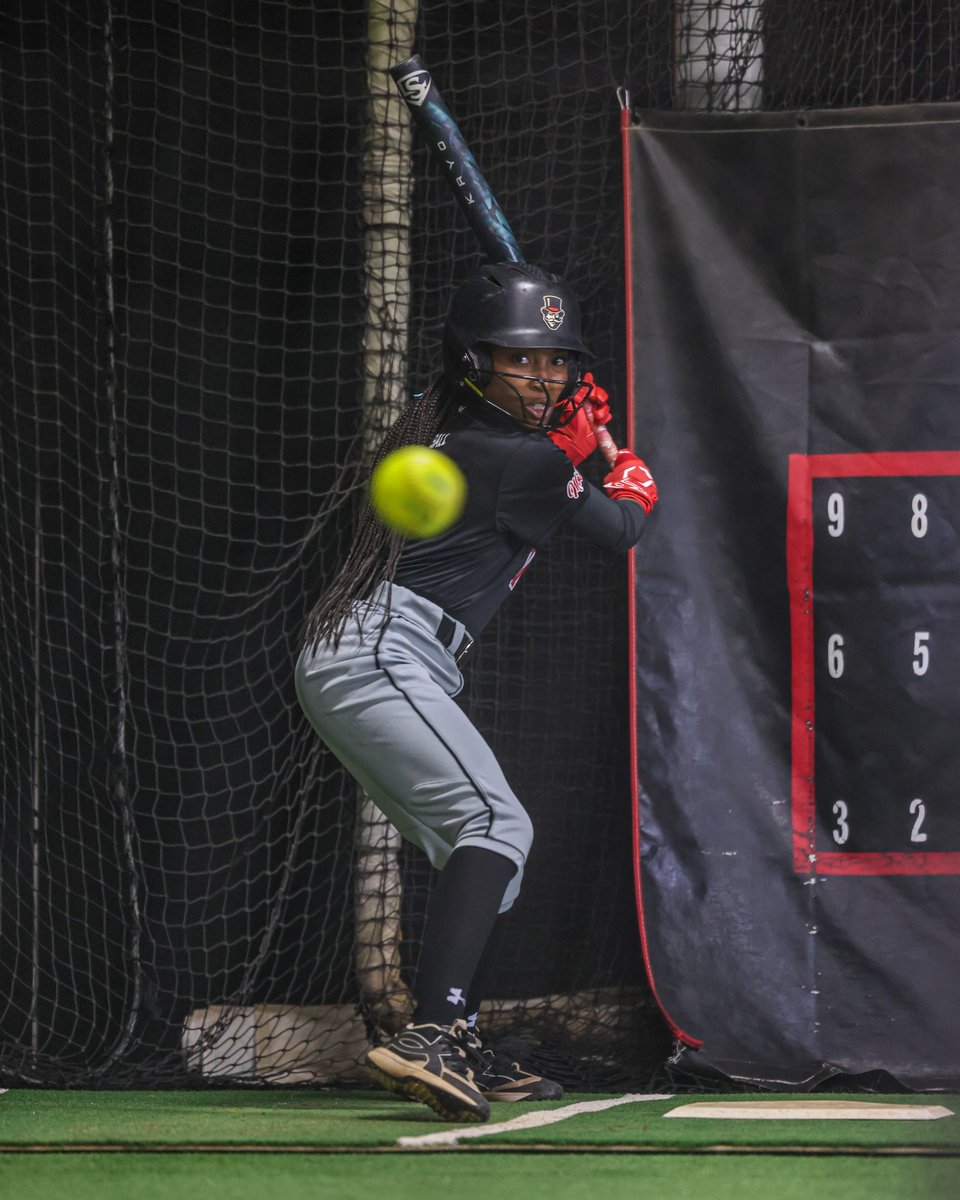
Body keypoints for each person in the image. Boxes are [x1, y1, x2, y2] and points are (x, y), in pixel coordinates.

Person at [296, 262, 657, 1124]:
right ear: (473, 360)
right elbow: (622, 528)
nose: (545, 378)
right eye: (522, 361)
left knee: (488, 858)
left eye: (557, 363)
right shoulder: (516, 457)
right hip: (384, 650)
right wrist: (625, 464)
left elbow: (528, 473)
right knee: (499, 826)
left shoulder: (450, 426)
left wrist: (562, 440)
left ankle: (453, 1034)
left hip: (362, 653)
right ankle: (431, 1033)